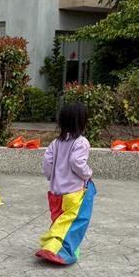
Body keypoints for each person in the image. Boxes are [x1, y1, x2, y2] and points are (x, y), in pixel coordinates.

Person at [37, 102, 97, 265]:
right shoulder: (81, 142)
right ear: (82, 122)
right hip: (73, 193)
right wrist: (88, 174)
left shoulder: (56, 143)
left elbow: (47, 163)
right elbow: (77, 161)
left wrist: (51, 176)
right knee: (73, 223)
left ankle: (63, 247)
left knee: (59, 222)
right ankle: (57, 250)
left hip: (55, 193)